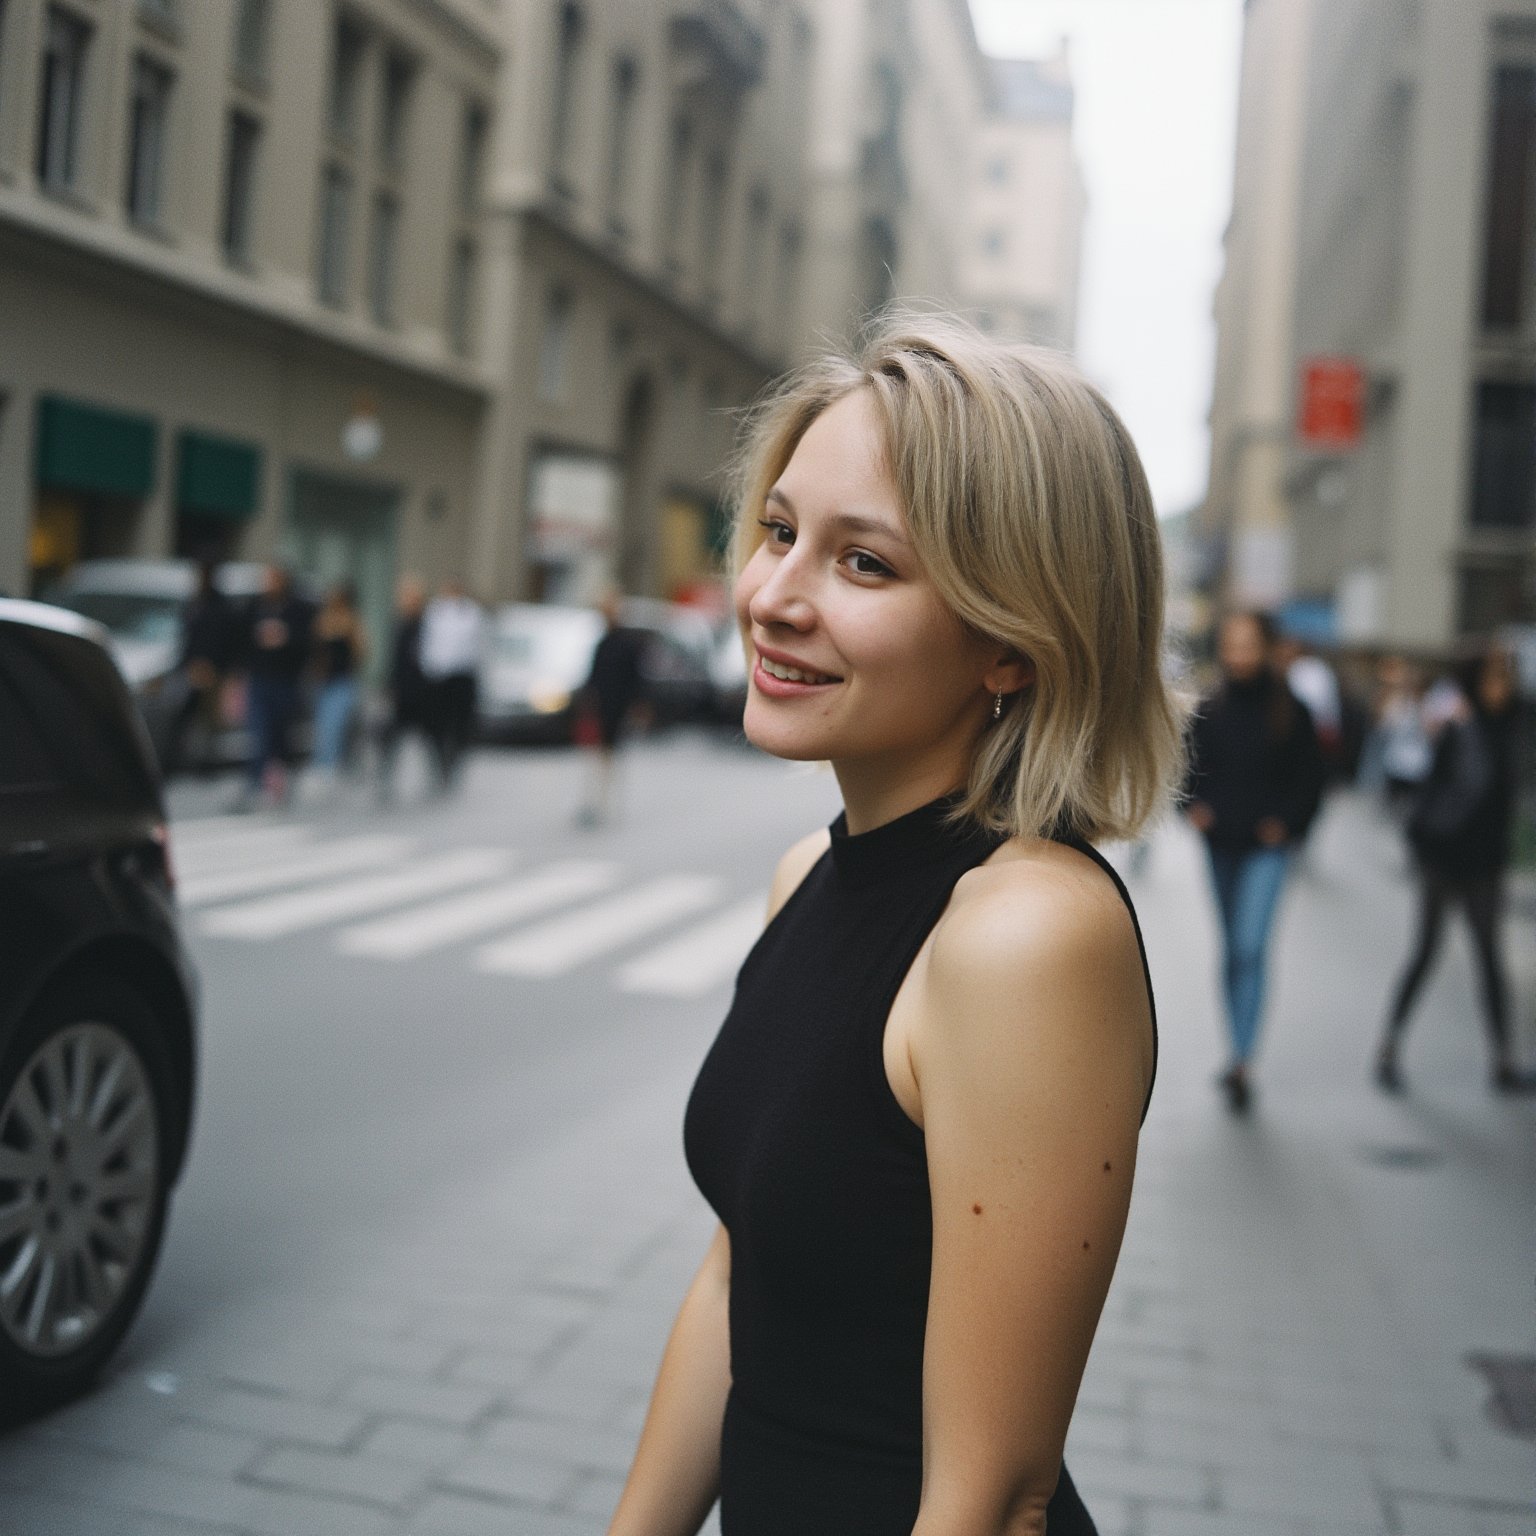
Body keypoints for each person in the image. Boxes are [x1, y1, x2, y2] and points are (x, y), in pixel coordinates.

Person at [607, 315, 1184, 1536]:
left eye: (862, 564)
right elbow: (738, 1277)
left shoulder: (1025, 937)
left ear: (1013, 645)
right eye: (778, 533)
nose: (772, 597)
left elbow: (995, 1497)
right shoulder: (807, 874)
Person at [1183, 611, 1325, 1112]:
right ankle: (1235, 1050)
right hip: (1220, 843)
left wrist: (1286, 823)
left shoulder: (1293, 710)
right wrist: (1193, 809)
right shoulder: (1209, 707)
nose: (1239, 653)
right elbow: (1186, 769)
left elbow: (1312, 779)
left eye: (1248, 643)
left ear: (1267, 647)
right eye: (1231, 643)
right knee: (1231, 949)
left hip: (1267, 849)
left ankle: (1244, 1059)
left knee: (1250, 945)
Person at [1375, 645, 1532, 1095]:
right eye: (1494, 676)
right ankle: (1389, 1046)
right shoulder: (1457, 726)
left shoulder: (1517, 727)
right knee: (1425, 952)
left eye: (1508, 676)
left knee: (1490, 961)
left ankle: (1503, 1060)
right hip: (1444, 858)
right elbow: (1430, 789)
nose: (1501, 686)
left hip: (1488, 862)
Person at [234, 564, 313, 810]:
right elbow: (240, 638)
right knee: (259, 732)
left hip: (286, 680)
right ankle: (255, 784)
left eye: (274, 579)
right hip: (260, 678)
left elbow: (309, 642)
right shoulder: (255, 606)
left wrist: (285, 637)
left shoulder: (297, 609)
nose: (269, 584)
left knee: (280, 733)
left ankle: (279, 780)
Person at [575, 589, 649, 827]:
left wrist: (638, 706)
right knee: (595, 757)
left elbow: (636, 679)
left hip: (617, 708)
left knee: (608, 758)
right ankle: (593, 803)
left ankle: (602, 803)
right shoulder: (602, 643)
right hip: (600, 707)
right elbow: (593, 677)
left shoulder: (627, 645)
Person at [171, 559, 238, 773]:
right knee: (182, 716)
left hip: (212, 670)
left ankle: (206, 765)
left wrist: (213, 666)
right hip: (191, 669)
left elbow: (224, 639)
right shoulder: (194, 602)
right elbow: (186, 636)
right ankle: (178, 760)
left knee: (209, 721)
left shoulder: (220, 606)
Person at [418, 578, 485, 790]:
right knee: (436, 725)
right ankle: (440, 764)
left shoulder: (472, 614)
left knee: (460, 726)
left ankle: (453, 761)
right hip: (439, 678)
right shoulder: (434, 612)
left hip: (462, 677)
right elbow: (428, 644)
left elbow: (477, 647)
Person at [376, 574, 432, 802]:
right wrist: (388, 685)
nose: (405, 601)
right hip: (401, 691)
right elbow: (393, 660)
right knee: (392, 736)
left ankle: (437, 773)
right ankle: (385, 777)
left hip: (421, 691)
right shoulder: (398, 624)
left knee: (427, 735)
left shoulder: (427, 626)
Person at [309, 580, 368, 787]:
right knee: (323, 725)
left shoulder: (352, 620)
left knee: (336, 724)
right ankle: (323, 764)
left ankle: (332, 766)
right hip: (324, 682)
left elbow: (361, 652)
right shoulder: (323, 620)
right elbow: (316, 650)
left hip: (343, 681)